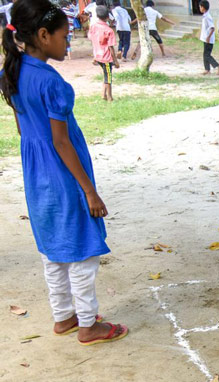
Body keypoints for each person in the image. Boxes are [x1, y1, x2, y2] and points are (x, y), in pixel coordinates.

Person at [0, 0, 128, 345]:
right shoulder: (52, 83)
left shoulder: (10, 73)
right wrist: (88, 189)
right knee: (83, 251)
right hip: (63, 176)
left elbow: (24, 130)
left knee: (53, 251)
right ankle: (88, 324)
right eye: (64, 36)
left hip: (37, 176)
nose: (69, 42)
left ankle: (64, 317)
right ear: (43, 36)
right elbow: (60, 141)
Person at [87, 5, 118, 101]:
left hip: (98, 56)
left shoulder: (93, 26)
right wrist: (116, 60)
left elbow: (91, 38)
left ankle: (103, 95)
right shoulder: (109, 30)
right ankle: (109, 97)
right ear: (108, 17)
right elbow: (111, 47)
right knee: (108, 78)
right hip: (107, 58)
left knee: (105, 75)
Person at [198, 0, 219, 75]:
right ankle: (207, 69)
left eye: (200, 7)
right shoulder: (205, 16)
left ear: (203, 7)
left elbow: (212, 28)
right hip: (206, 39)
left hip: (208, 40)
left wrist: (208, 37)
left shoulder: (207, 17)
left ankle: (218, 66)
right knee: (205, 54)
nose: (199, 8)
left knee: (207, 55)